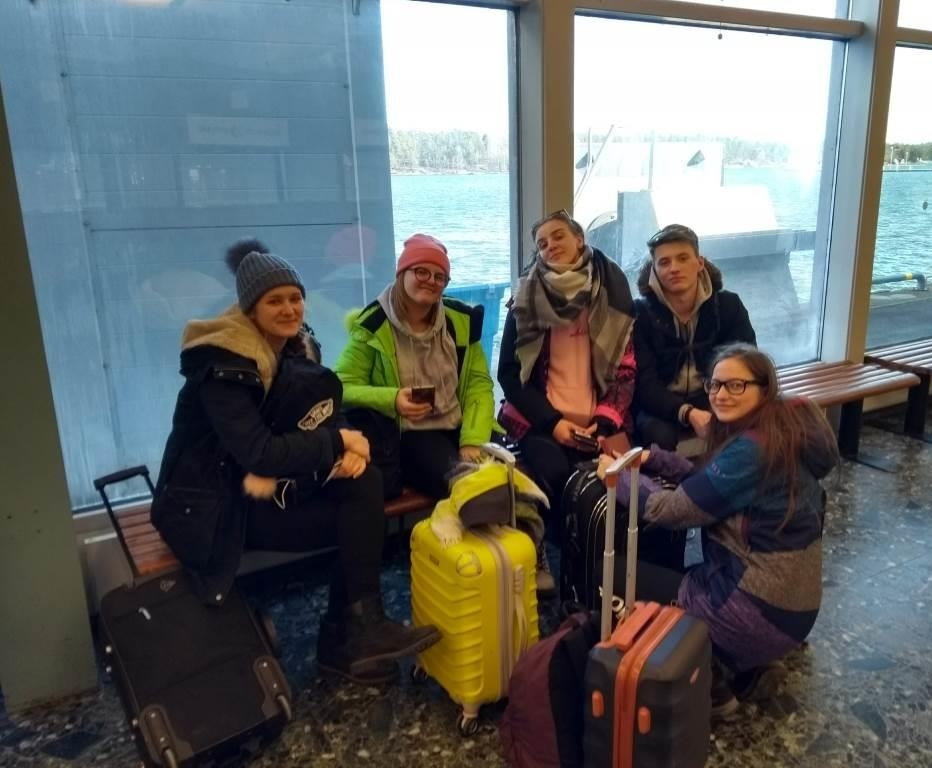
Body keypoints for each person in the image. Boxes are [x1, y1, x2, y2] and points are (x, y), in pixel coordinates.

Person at [152, 241, 441, 686]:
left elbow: (321, 408)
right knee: (355, 521)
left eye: (294, 298)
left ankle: (363, 627)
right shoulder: (222, 367)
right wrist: (336, 441)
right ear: (251, 308)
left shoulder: (290, 348)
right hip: (216, 507)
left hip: (261, 489)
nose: (289, 309)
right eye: (275, 301)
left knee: (365, 483)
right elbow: (260, 452)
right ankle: (345, 641)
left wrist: (348, 447)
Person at [598, 343, 837, 719]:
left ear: (764, 389)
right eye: (715, 385)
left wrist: (618, 478)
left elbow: (667, 510)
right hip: (795, 614)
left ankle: (711, 685)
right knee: (684, 568)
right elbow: (710, 482)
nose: (721, 394)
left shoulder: (751, 451)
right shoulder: (779, 432)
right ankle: (745, 665)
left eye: (736, 385)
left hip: (753, 613)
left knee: (610, 575)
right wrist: (653, 458)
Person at [497, 210, 636, 557]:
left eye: (558, 236)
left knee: (616, 475)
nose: (550, 246)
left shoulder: (611, 295)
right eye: (542, 243)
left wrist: (604, 422)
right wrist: (553, 423)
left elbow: (625, 368)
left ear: (579, 239)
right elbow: (509, 375)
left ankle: (603, 554)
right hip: (541, 419)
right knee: (559, 472)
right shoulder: (524, 301)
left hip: (598, 419)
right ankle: (567, 555)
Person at [335, 233, 496, 501]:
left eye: (440, 276)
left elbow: (478, 385)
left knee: (506, 477)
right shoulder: (374, 326)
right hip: (412, 434)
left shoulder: (461, 322)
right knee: (465, 485)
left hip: (463, 424)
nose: (431, 280)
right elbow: (341, 387)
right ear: (402, 273)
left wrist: (472, 439)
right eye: (421, 271)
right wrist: (392, 399)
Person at [633, 224, 755, 449]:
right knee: (658, 435)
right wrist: (687, 412)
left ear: (700, 263)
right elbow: (644, 384)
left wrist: (722, 399)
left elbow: (746, 364)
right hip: (660, 402)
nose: (674, 268)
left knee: (748, 422)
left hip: (713, 393)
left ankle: (729, 471)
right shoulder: (641, 314)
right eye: (664, 262)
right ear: (654, 270)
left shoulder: (728, 306)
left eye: (682, 258)